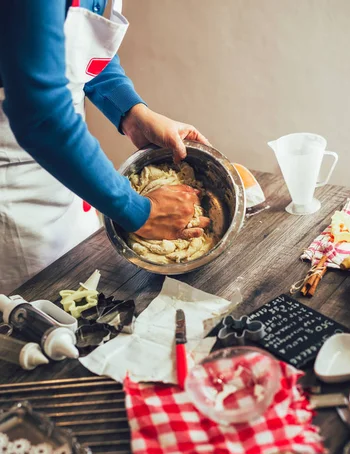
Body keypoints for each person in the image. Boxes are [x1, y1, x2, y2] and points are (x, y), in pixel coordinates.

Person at [0, 0, 210, 294]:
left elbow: (77, 48)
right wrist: (140, 212)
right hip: (15, 206)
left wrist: (131, 112)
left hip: (73, 181)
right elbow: (40, 115)